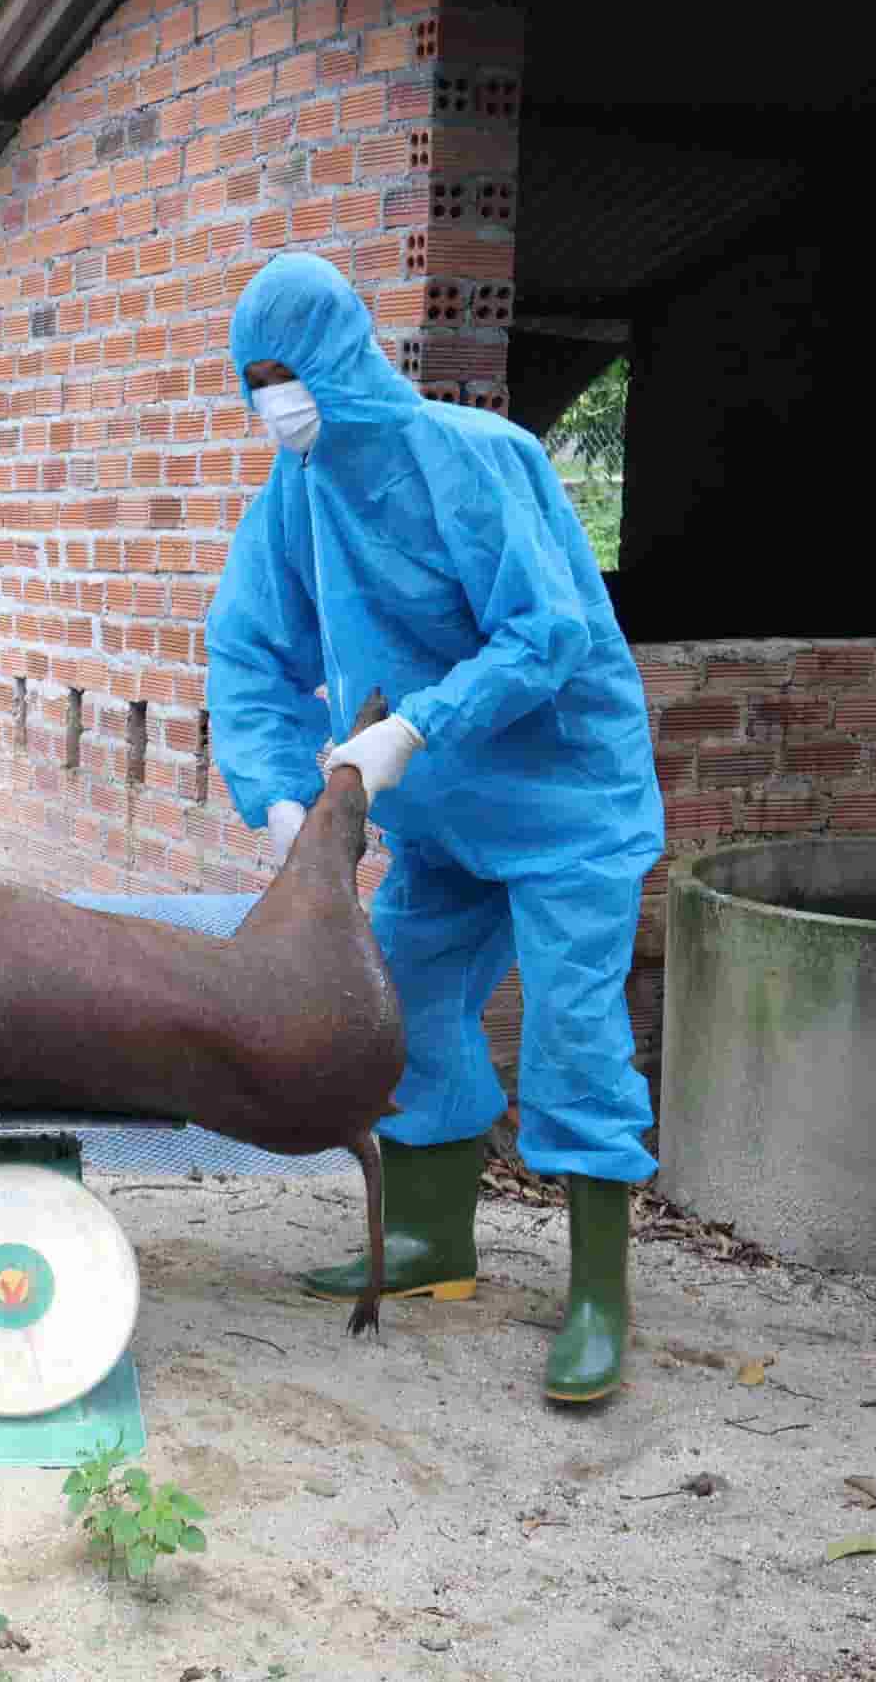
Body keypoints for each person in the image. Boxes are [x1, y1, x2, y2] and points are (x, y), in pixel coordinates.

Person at [202, 251, 664, 1404]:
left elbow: (546, 631)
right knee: (404, 1004)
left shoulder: (475, 458)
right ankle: (429, 1238)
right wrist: (279, 797)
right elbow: (249, 649)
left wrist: (415, 724)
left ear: (340, 357)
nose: (274, 400)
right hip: (441, 820)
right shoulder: (298, 493)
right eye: (254, 381)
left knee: (571, 1031)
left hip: (564, 801)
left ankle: (597, 1296)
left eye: (286, 372)